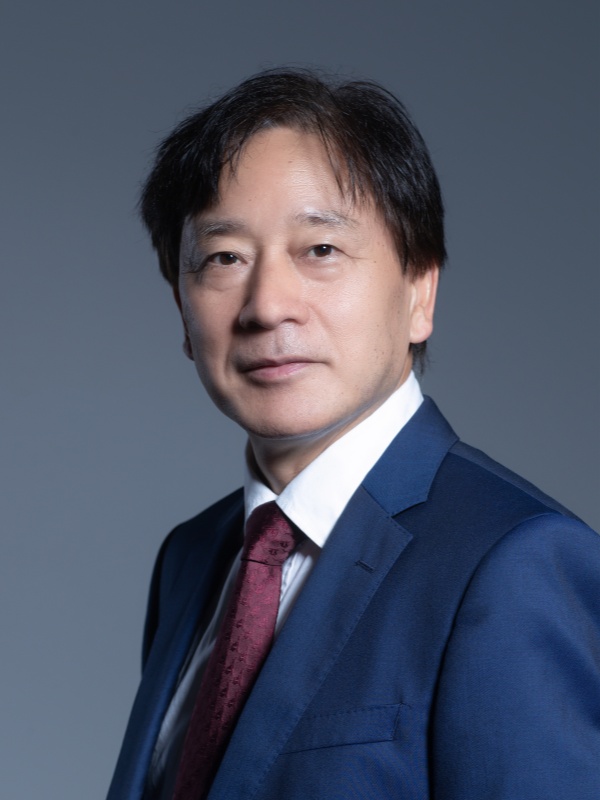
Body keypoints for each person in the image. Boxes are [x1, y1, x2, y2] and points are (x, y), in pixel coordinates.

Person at [107, 69, 600, 800]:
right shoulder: (191, 558)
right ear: (182, 311)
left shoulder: (516, 563)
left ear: (420, 290)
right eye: (224, 258)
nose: (268, 305)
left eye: (320, 250)